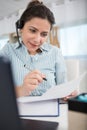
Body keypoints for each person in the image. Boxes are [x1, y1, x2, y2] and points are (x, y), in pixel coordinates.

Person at [0, 0, 77, 99]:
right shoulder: (8, 51)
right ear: (21, 27)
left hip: (50, 111)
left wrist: (67, 94)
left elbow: (62, 89)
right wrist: (22, 90)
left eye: (44, 34)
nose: (37, 40)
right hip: (18, 112)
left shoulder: (55, 52)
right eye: (32, 30)